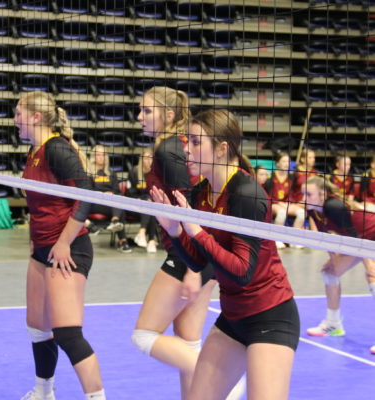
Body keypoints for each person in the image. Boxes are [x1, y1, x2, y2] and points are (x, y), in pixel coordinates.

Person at [151, 109, 300, 400]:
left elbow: (242, 271)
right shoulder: (202, 192)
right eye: (187, 141)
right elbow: (198, 262)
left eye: (196, 142)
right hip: (233, 317)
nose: (186, 149)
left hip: (270, 318)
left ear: (221, 149)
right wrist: (176, 232)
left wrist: (196, 232)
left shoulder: (246, 193)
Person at [14, 92, 105, 400]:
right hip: (42, 249)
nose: (15, 120)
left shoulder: (56, 148)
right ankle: (43, 393)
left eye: (19, 113)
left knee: (67, 333)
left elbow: (87, 193)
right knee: (38, 328)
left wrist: (64, 242)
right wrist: (34, 240)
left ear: (36, 117)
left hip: (68, 249)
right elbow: (40, 201)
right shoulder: (34, 150)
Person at [132, 86, 220, 400]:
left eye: (147, 110)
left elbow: (189, 207)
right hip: (204, 250)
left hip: (190, 253)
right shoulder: (179, 145)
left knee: (144, 336)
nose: (139, 117)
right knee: (187, 342)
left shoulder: (169, 149)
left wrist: (194, 268)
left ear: (169, 115)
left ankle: (223, 381)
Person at [303, 175, 375, 354]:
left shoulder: (333, 206)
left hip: (367, 237)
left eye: (309, 194)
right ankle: (333, 323)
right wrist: (334, 260)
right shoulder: (313, 210)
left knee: (373, 278)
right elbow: (327, 237)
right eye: (303, 193)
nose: (304, 198)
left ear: (322, 194)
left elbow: (356, 238)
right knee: (330, 273)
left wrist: (369, 265)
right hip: (360, 240)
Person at [86, 144, 131, 253]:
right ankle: (122, 241)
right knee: (120, 208)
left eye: (103, 155)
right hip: (95, 204)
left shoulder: (111, 173)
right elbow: (88, 191)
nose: (101, 157)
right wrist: (102, 194)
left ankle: (115, 222)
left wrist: (111, 193)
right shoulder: (89, 173)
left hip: (109, 204)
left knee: (119, 200)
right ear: (94, 157)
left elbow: (117, 191)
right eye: (98, 155)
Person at [264, 151, 306, 249]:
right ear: (277, 163)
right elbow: (267, 195)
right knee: (282, 212)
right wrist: (278, 203)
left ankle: (294, 239)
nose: (286, 164)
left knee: (301, 212)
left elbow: (295, 192)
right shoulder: (270, 177)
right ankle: (276, 239)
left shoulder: (292, 177)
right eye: (283, 161)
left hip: (287, 203)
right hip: (273, 204)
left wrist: (294, 202)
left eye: (288, 161)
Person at [127, 147, 158, 253]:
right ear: (141, 159)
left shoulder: (156, 173)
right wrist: (138, 199)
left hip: (150, 206)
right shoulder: (134, 172)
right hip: (135, 206)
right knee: (149, 205)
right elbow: (129, 193)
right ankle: (151, 239)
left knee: (150, 206)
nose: (148, 160)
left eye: (151, 158)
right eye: (146, 158)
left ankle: (144, 235)